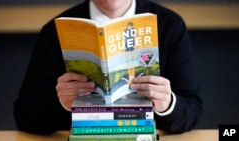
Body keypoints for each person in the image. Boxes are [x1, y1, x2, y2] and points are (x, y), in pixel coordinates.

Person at [14, 0, 203, 135]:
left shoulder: (169, 25)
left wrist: (167, 103)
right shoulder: (55, 31)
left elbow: (193, 110)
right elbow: (25, 116)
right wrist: (63, 103)